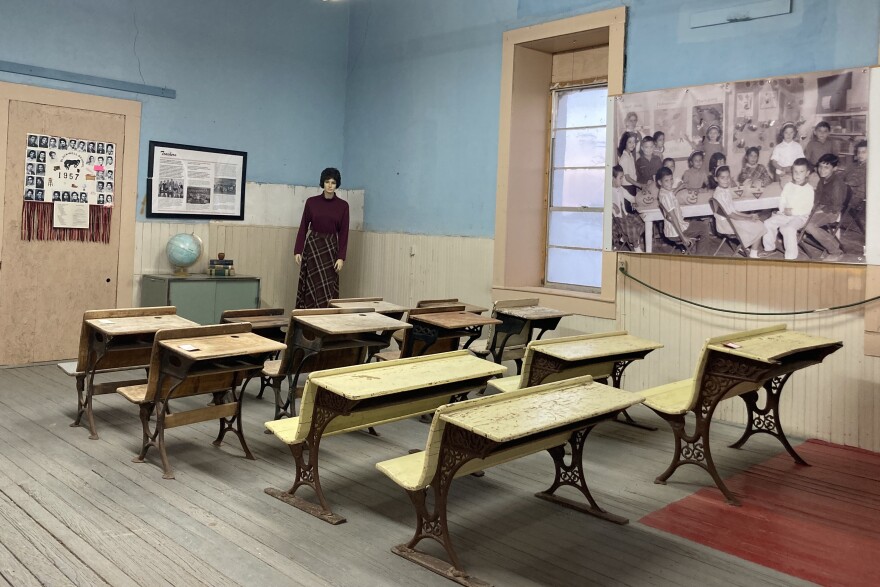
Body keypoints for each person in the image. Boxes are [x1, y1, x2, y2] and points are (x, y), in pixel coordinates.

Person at [293, 167, 349, 308]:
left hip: (331, 249)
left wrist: (341, 257)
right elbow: (303, 226)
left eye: (333, 182)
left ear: (337, 185)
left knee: (327, 287)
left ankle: (326, 323)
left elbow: (344, 233)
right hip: (313, 247)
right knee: (311, 285)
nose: (330, 185)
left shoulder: (343, 206)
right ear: (322, 183)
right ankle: (307, 323)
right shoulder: (311, 202)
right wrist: (298, 250)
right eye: (327, 182)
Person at [761, 158, 813, 260]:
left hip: (800, 216)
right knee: (768, 223)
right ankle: (769, 248)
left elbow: (807, 208)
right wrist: (782, 209)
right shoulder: (788, 185)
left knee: (787, 229)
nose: (798, 175)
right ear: (792, 172)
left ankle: (791, 257)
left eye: (801, 172)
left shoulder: (808, 189)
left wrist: (793, 212)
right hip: (785, 214)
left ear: (807, 173)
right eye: (795, 172)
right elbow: (783, 199)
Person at [711, 166, 764, 258]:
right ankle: (753, 254)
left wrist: (749, 215)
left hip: (729, 220)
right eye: (722, 178)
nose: (726, 180)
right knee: (759, 224)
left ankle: (744, 247)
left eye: (728, 177)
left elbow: (733, 211)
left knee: (755, 221)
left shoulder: (724, 190)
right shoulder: (719, 194)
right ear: (716, 179)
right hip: (727, 224)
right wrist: (748, 218)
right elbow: (731, 214)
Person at [803, 153, 848, 261]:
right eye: (820, 166)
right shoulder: (823, 179)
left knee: (810, 226)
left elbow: (836, 207)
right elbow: (817, 197)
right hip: (820, 208)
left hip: (831, 212)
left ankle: (835, 251)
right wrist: (812, 208)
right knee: (800, 216)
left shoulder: (836, 183)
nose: (822, 170)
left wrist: (819, 210)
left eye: (826, 167)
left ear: (835, 168)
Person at [657, 166, 696, 250]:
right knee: (703, 228)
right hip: (676, 232)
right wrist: (683, 237)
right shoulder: (666, 195)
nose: (670, 182)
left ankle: (689, 251)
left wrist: (678, 188)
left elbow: (670, 196)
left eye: (671, 179)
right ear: (660, 182)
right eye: (666, 180)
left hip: (670, 231)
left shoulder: (663, 192)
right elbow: (673, 218)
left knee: (694, 224)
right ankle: (702, 255)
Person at [610, 165, 644, 252]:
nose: (622, 180)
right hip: (617, 219)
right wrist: (612, 205)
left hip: (624, 214)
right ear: (613, 178)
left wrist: (634, 201)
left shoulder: (621, 189)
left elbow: (630, 197)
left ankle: (632, 239)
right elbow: (603, 201)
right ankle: (636, 246)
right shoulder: (608, 190)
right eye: (620, 178)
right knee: (632, 228)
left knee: (640, 221)